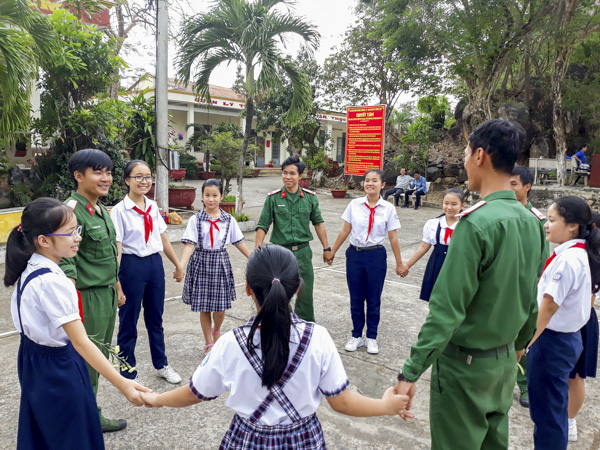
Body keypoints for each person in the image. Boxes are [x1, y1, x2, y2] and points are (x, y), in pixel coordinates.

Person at [139, 244, 413, 448]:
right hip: (304, 440)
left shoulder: (230, 343)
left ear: (247, 288)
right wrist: (386, 406)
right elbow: (341, 402)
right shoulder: (317, 338)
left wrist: (156, 399)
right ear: (297, 288)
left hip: (246, 439)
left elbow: (194, 393)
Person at [394, 119, 546, 450]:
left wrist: (410, 372)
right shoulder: (532, 223)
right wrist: (516, 349)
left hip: (465, 371)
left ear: (479, 155)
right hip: (504, 365)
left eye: (465, 152)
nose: (464, 161)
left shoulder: (474, 225)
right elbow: (531, 298)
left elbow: (446, 311)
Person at [5, 198, 150, 449]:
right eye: (70, 232)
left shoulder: (30, 269)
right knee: (74, 433)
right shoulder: (52, 281)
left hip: (33, 360)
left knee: (48, 430)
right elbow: (81, 343)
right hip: (57, 366)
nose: (78, 238)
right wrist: (123, 383)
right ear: (44, 240)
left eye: (78, 230)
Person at [58, 149, 128, 432]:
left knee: (97, 357)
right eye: (98, 172)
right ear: (79, 176)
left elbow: (108, 256)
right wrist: (71, 304)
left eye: (109, 172)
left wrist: (118, 287)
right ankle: (88, 418)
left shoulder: (98, 209)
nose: (106, 178)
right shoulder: (71, 212)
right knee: (88, 360)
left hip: (106, 294)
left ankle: (85, 412)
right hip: (87, 298)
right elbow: (66, 261)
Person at [527, 196, 600, 450]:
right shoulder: (576, 254)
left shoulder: (568, 260)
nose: (546, 225)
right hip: (564, 340)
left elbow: (548, 306)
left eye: (552, 220)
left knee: (547, 415)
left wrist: (527, 342)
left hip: (552, 342)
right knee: (551, 410)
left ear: (572, 226)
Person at [109, 160, 184, 384]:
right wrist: (116, 281)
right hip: (131, 266)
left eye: (148, 177)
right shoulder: (119, 211)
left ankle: (161, 364)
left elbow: (162, 237)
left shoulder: (152, 206)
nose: (144, 181)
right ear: (127, 180)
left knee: (155, 318)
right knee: (129, 319)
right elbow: (118, 248)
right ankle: (127, 370)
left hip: (154, 265)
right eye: (138, 177)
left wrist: (177, 264)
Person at [329, 169, 404, 355]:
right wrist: (332, 251)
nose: (370, 184)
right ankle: (356, 335)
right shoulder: (354, 205)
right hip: (355, 255)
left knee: (373, 299)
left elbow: (393, 238)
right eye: (367, 181)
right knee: (356, 298)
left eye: (374, 181)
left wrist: (400, 263)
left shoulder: (388, 209)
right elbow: (345, 230)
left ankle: (371, 337)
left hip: (376, 257)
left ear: (383, 184)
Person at [255, 155, 333, 322]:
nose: (288, 177)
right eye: (284, 173)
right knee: (279, 292)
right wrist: (257, 250)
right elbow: (263, 225)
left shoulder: (310, 198)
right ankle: (285, 323)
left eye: (292, 173)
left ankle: (305, 327)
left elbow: (318, 223)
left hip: (303, 252)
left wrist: (326, 249)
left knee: (305, 293)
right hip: (280, 254)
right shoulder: (273, 198)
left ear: (300, 176)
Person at [180, 178, 252, 353]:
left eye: (214, 195)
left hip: (220, 263)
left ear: (221, 196)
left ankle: (216, 331)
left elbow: (239, 243)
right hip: (200, 263)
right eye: (207, 195)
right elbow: (190, 244)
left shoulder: (228, 220)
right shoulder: (195, 220)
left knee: (220, 308)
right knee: (204, 306)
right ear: (202, 197)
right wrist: (180, 265)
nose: (210, 199)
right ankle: (208, 343)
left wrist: (255, 259)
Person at [509, 165, 550, 408]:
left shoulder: (537, 220)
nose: (509, 188)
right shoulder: (497, 213)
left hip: (523, 289)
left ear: (527, 187)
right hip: (499, 288)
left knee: (522, 340)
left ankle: (525, 385)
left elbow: (541, 260)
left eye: (514, 184)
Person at [567, 211, 600, 442]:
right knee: (572, 376)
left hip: (580, 320)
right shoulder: (579, 254)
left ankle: (569, 421)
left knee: (575, 376)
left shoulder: (587, 258)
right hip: (582, 319)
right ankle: (567, 419)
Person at [399, 188, 465, 302]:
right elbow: (424, 247)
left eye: (454, 204)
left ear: (462, 205)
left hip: (457, 265)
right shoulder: (434, 223)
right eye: (446, 203)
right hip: (436, 263)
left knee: (454, 300)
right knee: (434, 299)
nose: (449, 207)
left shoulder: (466, 225)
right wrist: (407, 266)